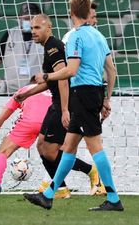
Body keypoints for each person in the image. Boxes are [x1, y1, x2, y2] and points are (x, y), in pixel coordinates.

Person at [24, 0, 123, 211]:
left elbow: (71, 70)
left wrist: (47, 76)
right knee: (68, 147)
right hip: (94, 93)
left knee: (95, 146)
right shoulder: (99, 36)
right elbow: (112, 70)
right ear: (88, 12)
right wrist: (107, 99)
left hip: (83, 94)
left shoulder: (76, 37)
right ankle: (49, 194)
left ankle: (114, 199)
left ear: (71, 13)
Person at [16, 14, 103, 199]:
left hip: (65, 102)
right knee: (43, 147)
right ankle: (62, 188)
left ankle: (88, 174)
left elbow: (63, 78)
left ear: (49, 28)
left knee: (49, 149)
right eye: (31, 28)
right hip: (58, 102)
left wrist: (64, 109)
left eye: (37, 28)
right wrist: (27, 93)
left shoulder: (53, 46)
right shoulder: (49, 47)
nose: (33, 32)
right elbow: (51, 81)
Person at [0, 76, 52, 195]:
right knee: (56, 155)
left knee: (3, 152)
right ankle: (58, 183)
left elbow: (0, 119)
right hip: (50, 121)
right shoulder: (54, 90)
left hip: (28, 123)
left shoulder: (23, 90)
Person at [0, 3, 44, 95]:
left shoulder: (45, 37)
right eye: (26, 18)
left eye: (32, 18)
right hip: (10, 88)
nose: (29, 21)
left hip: (35, 88)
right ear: (20, 17)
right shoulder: (10, 34)